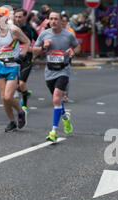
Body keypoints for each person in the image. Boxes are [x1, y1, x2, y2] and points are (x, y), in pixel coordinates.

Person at [33, 11, 80, 143]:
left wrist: (73, 51)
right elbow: (34, 51)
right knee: (56, 101)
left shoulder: (68, 35)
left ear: (61, 21)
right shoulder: (44, 34)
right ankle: (65, 118)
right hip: (49, 71)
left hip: (63, 70)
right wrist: (43, 47)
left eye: (56, 19)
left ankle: (53, 131)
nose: (53, 21)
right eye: (51, 19)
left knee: (57, 97)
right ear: (48, 20)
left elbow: (78, 47)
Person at [0, 6, 30, 132]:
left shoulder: (14, 30)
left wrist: (22, 55)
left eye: (1, 16)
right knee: (3, 97)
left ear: (7, 17)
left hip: (12, 66)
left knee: (8, 97)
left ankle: (21, 112)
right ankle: (11, 121)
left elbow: (27, 42)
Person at [14, 8, 38, 114]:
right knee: (16, 85)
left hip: (26, 59)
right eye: (16, 17)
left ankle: (24, 106)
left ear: (24, 17)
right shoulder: (12, 29)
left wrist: (33, 49)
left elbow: (38, 41)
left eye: (20, 17)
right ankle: (25, 93)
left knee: (22, 83)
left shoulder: (30, 29)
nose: (18, 19)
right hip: (14, 59)